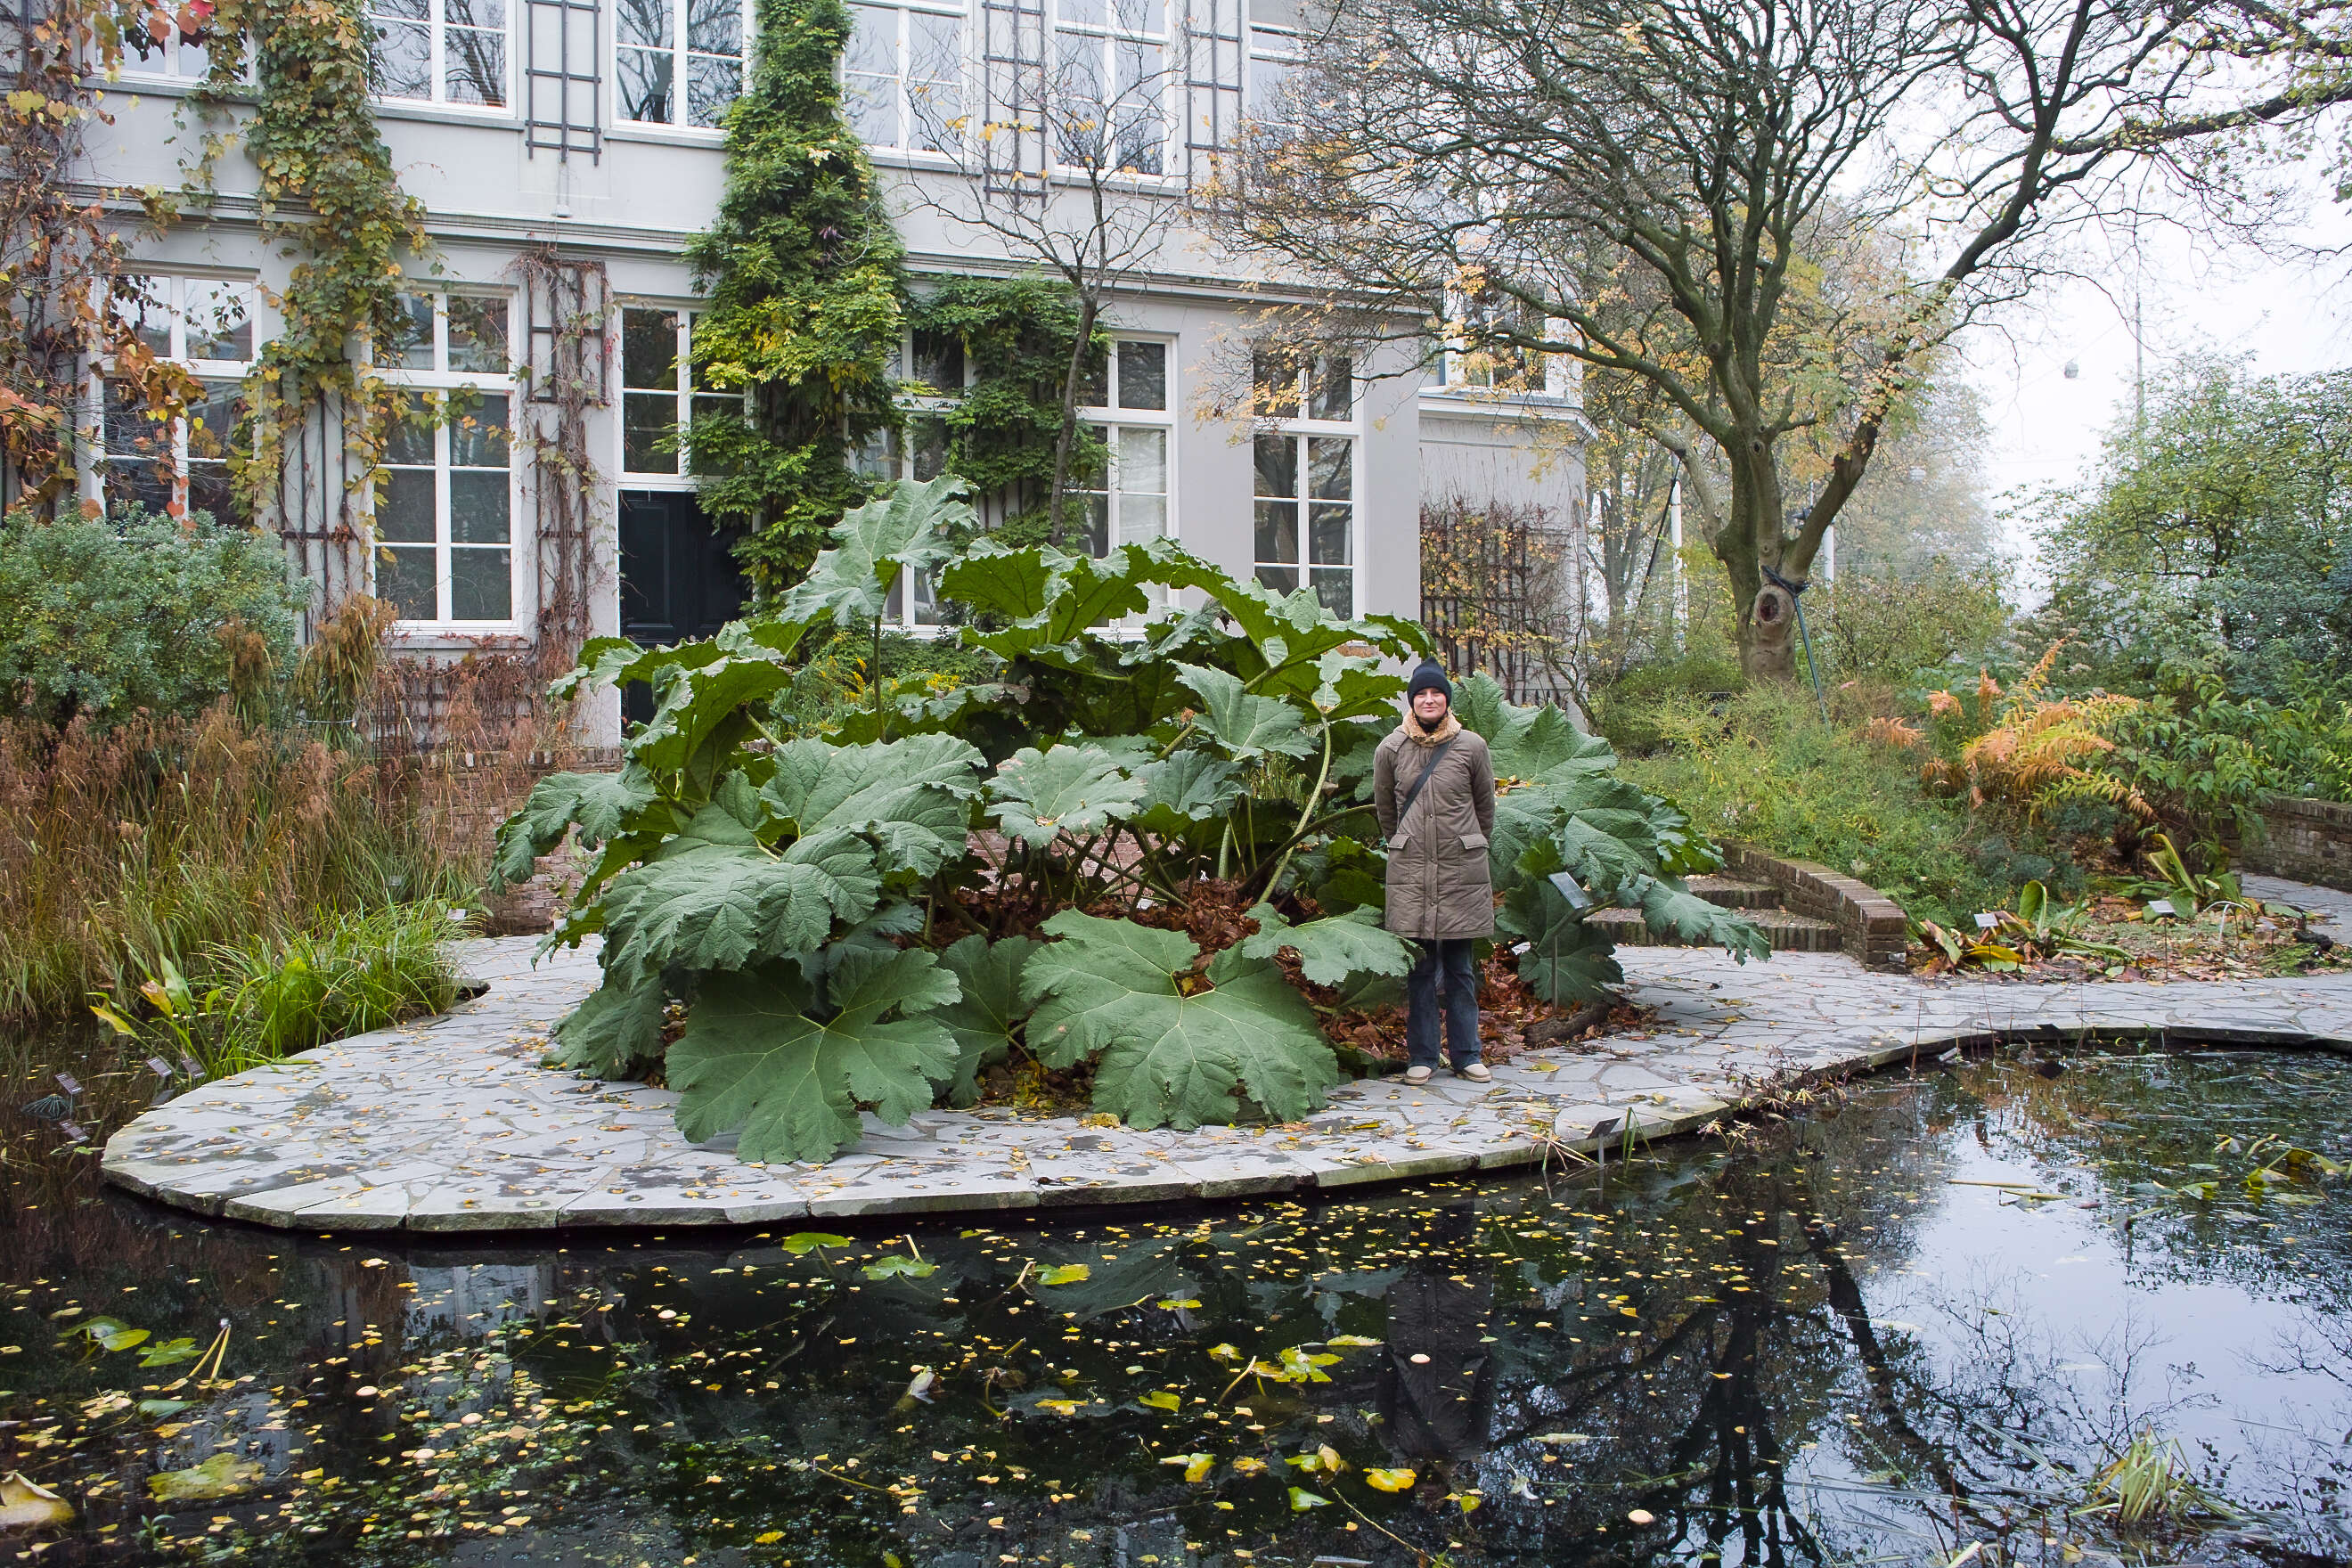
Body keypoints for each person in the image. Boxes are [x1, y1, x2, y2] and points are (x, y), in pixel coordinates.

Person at [1372, 658, 1496, 1084]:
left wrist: (1466, 843)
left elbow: (1485, 809)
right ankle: (1422, 1057)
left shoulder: (1472, 747)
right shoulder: (1390, 749)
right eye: (1421, 694)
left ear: (1446, 700)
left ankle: (1467, 1055)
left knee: (1461, 969)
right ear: (1412, 701)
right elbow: (1386, 810)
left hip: (1461, 870)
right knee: (1420, 970)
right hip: (1412, 872)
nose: (1429, 699)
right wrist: (1406, 844)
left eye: (1436, 693)